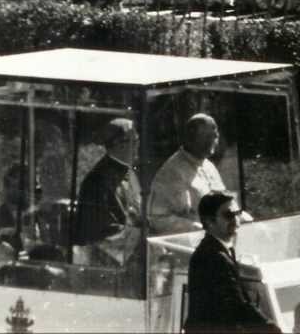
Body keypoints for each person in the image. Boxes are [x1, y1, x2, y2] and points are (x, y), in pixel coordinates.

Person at [184, 191, 280, 334]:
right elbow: (236, 306)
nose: (236, 219)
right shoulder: (212, 257)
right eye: (228, 215)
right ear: (209, 222)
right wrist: (272, 329)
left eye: (237, 213)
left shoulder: (222, 250)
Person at [72, 118, 143, 268]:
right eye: (134, 141)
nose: (138, 146)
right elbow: (101, 232)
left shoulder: (128, 171)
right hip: (105, 264)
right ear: (118, 144)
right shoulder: (97, 182)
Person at [149, 114, 233, 236]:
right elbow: (158, 219)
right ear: (190, 138)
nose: (214, 140)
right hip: (189, 245)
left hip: (216, 239)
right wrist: (197, 229)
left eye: (216, 136)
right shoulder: (172, 172)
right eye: (208, 136)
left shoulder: (209, 166)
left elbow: (223, 200)